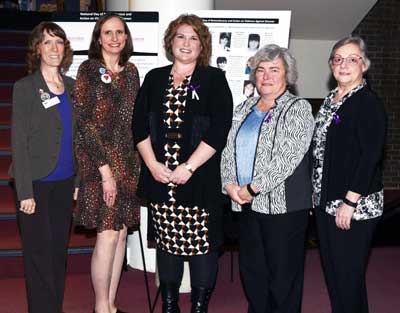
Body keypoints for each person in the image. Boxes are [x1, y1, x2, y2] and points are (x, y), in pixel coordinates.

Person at [133, 14, 233, 313]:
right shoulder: (154, 79)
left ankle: (200, 306)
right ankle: (169, 304)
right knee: (167, 244)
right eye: (180, 36)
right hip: (161, 178)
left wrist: (188, 167)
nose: (186, 43)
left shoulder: (213, 79)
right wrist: (152, 165)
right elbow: (139, 127)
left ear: (202, 45)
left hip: (199, 179)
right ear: (170, 42)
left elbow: (219, 130)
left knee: (203, 245)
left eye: (194, 38)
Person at [221, 44, 314, 313]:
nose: (266, 76)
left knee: (283, 279)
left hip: (283, 209)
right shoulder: (244, 107)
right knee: (253, 273)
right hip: (246, 205)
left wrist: (251, 188)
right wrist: (229, 185)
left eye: (274, 70)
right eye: (261, 70)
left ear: (288, 75)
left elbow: (287, 158)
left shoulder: (298, 108)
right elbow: (229, 149)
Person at [312, 36, 387, 313]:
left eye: (352, 59)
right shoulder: (332, 100)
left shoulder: (367, 102)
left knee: (348, 277)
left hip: (353, 206)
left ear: (364, 65)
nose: (344, 64)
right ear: (331, 64)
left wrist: (350, 202)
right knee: (334, 275)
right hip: (325, 202)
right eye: (338, 59)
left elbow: (370, 157)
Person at [73, 13, 141, 313]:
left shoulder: (132, 72)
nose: (114, 37)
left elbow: (134, 122)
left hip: (128, 164)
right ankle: (101, 307)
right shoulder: (88, 70)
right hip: (99, 163)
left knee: (121, 234)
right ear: (98, 37)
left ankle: (112, 305)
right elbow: (85, 124)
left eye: (119, 32)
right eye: (108, 32)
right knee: (108, 234)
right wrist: (105, 173)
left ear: (126, 38)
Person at [9, 22, 75, 313]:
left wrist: (78, 182)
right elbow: (18, 142)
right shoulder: (25, 88)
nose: (53, 49)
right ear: (37, 49)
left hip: (65, 182)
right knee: (38, 256)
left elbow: (79, 137)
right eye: (47, 42)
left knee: (58, 253)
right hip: (35, 183)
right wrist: (24, 192)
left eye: (58, 42)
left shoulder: (73, 87)